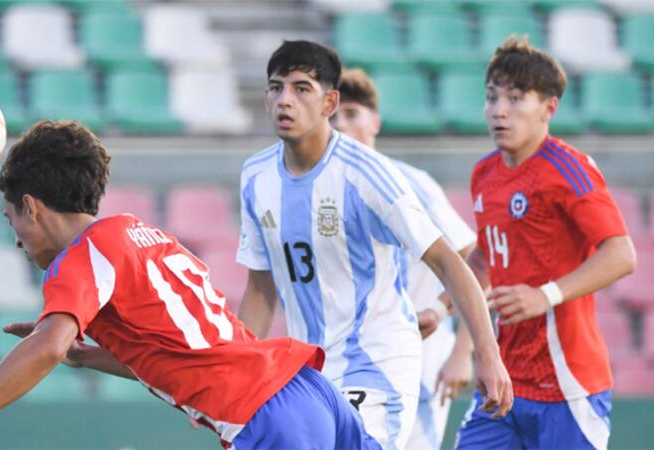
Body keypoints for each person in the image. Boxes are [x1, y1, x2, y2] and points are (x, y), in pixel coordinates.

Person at [0, 120, 381, 450]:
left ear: (33, 207)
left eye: (11, 218)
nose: (18, 239)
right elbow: (180, 347)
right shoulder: (139, 231)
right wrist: (89, 357)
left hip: (265, 417)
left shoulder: (80, 258)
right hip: (307, 391)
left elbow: (48, 345)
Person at [235, 39, 512, 450]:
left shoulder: (369, 174)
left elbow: (451, 261)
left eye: (301, 88)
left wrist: (484, 356)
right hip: (308, 371)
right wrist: (238, 374)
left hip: (376, 365)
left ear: (329, 102)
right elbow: (260, 289)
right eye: (276, 87)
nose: (285, 100)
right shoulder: (256, 176)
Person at [453, 35, 637, 450]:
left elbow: (621, 253)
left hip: (567, 386)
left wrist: (546, 295)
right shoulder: (484, 173)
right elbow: (487, 254)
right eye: (491, 97)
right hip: (505, 382)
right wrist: (448, 298)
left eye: (515, 98)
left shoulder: (568, 170)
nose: (499, 110)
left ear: (548, 108)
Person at [330, 68, 477, 450]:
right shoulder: (323, 193)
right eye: (332, 118)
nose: (341, 126)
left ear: (374, 123)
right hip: (355, 359)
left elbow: (472, 257)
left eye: (351, 114)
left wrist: (460, 345)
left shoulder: (410, 183)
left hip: (419, 358)